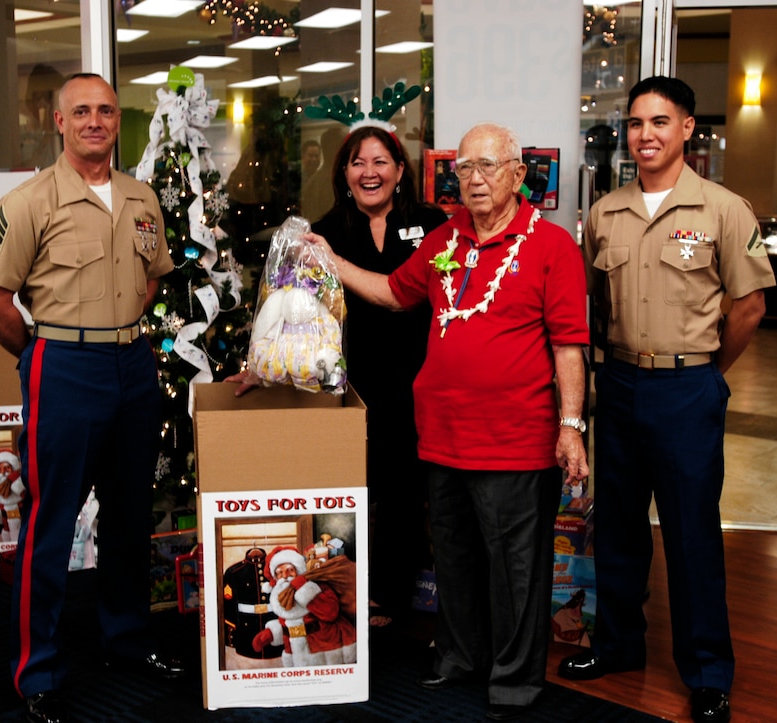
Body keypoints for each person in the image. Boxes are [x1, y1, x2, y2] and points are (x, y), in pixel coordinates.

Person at [307, 122, 590, 721]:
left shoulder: (551, 245)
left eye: (489, 166)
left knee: (515, 566)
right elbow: (390, 293)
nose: (476, 179)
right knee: (456, 557)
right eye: (465, 168)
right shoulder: (444, 237)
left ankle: (514, 677)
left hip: (514, 436)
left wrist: (571, 424)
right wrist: (330, 260)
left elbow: (569, 345)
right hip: (440, 432)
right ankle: (461, 654)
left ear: (519, 173)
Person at [559, 76, 776, 723]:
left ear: (687, 128)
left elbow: (750, 306)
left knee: (691, 536)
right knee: (618, 528)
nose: (644, 134)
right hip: (619, 386)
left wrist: (705, 373)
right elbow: (590, 310)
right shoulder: (605, 213)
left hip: (687, 388)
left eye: (659, 121)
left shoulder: (722, 208)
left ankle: (708, 671)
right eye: (634, 123)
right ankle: (619, 644)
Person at [0, 72, 178, 723]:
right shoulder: (30, 202)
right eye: (81, 110)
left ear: (119, 120)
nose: (95, 120)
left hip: (132, 364)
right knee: (51, 523)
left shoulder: (142, 198)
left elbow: (150, 278)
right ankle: (37, 670)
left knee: (128, 514)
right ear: (59, 122)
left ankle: (126, 640)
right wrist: (41, 354)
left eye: (106, 110)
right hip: (62, 363)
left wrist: (121, 330)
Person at [311, 124, 448, 629]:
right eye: (357, 163)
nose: (369, 172)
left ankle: (412, 595)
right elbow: (306, 313)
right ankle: (359, 594)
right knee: (362, 489)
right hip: (356, 380)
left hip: (426, 375)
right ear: (344, 173)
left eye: (380, 161)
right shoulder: (325, 231)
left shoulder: (433, 224)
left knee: (417, 490)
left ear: (399, 170)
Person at [251, 545, 358, 667]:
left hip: (325, 648)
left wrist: (303, 588)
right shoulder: (280, 595)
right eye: (279, 573)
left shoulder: (316, 586)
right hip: (296, 653)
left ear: (299, 570)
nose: (285, 576)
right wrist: (271, 633)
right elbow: (289, 623)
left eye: (290, 570)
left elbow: (330, 613)